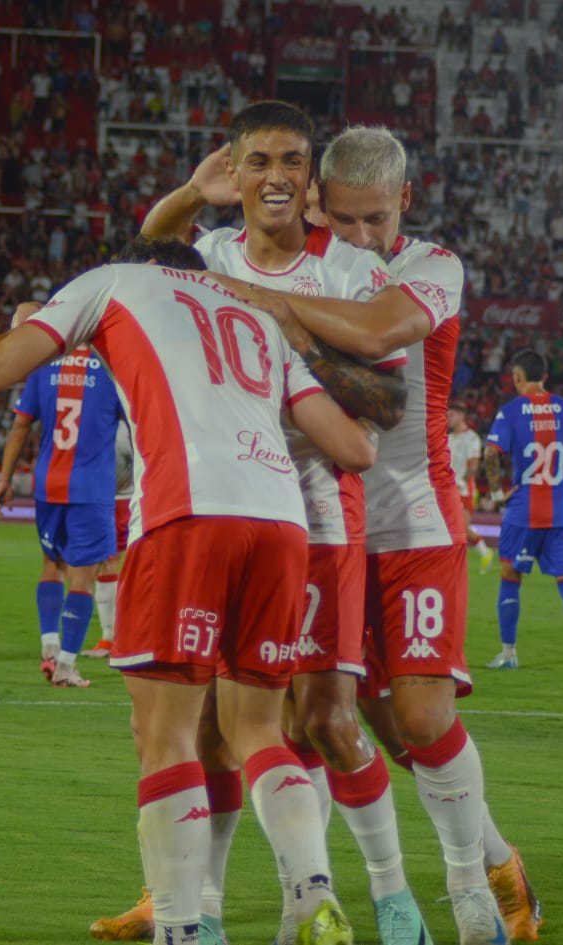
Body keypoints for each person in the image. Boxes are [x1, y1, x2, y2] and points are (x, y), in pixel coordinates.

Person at [0, 237, 378, 945]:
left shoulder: (115, 281)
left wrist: (17, 320)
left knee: (166, 737)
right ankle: (314, 892)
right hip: (282, 525)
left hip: (187, 514)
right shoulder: (255, 315)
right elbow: (354, 447)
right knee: (255, 728)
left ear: (148, 265)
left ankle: (183, 929)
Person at [219, 125, 533, 943]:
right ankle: (341, 896)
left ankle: (477, 885)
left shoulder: (433, 267)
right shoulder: (305, 258)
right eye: (346, 219)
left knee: (422, 718)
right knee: (330, 723)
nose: (361, 237)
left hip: (415, 515)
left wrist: (264, 303)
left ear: (406, 202)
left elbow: (378, 331)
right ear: (321, 200)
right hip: (321, 514)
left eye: (376, 219)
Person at [136, 102, 434, 945]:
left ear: (310, 180)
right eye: (257, 162)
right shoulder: (210, 253)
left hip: (318, 516)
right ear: (236, 171)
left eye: (291, 163)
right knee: (207, 730)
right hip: (223, 508)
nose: (275, 177)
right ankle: (206, 913)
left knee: (327, 719)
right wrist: (188, 196)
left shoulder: (348, 271)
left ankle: (391, 896)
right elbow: (139, 262)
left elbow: (387, 401)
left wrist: (284, 334)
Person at [0, 339, 123, 688]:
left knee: (52, 566)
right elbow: (141, 428)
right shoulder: (114, 369)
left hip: (47, 485)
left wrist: (5, 479)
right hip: (91, 489)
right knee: (83, 577)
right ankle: (66, 667)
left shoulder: (45, 365)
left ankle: (48, 647)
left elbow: (21, 426)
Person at [483, 347, 563, 675]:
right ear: (544, 377)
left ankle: (509, 653)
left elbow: (491, 454)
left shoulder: (511, 412)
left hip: (523, 511)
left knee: (510, 578)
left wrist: (495, 494)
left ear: (518, 378)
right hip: (562, 510)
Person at [83, 420, 134, 660]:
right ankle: (113, 637)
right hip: (125, 499)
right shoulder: (132, 424)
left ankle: (111, 637)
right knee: (111, 564)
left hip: (119, 501)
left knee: (108, 563)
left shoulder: (112, 428)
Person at [448, 401, 497, 574]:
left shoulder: (472, 438)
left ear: (462, 416)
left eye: (452, 415)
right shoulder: (448, 439)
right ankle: (482, 553)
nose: (448, 418)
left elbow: (473, 467)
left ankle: (473, 557)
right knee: (453, 528)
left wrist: (460, 480)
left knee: (459, 528)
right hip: (447, 489)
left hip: (464, 489)